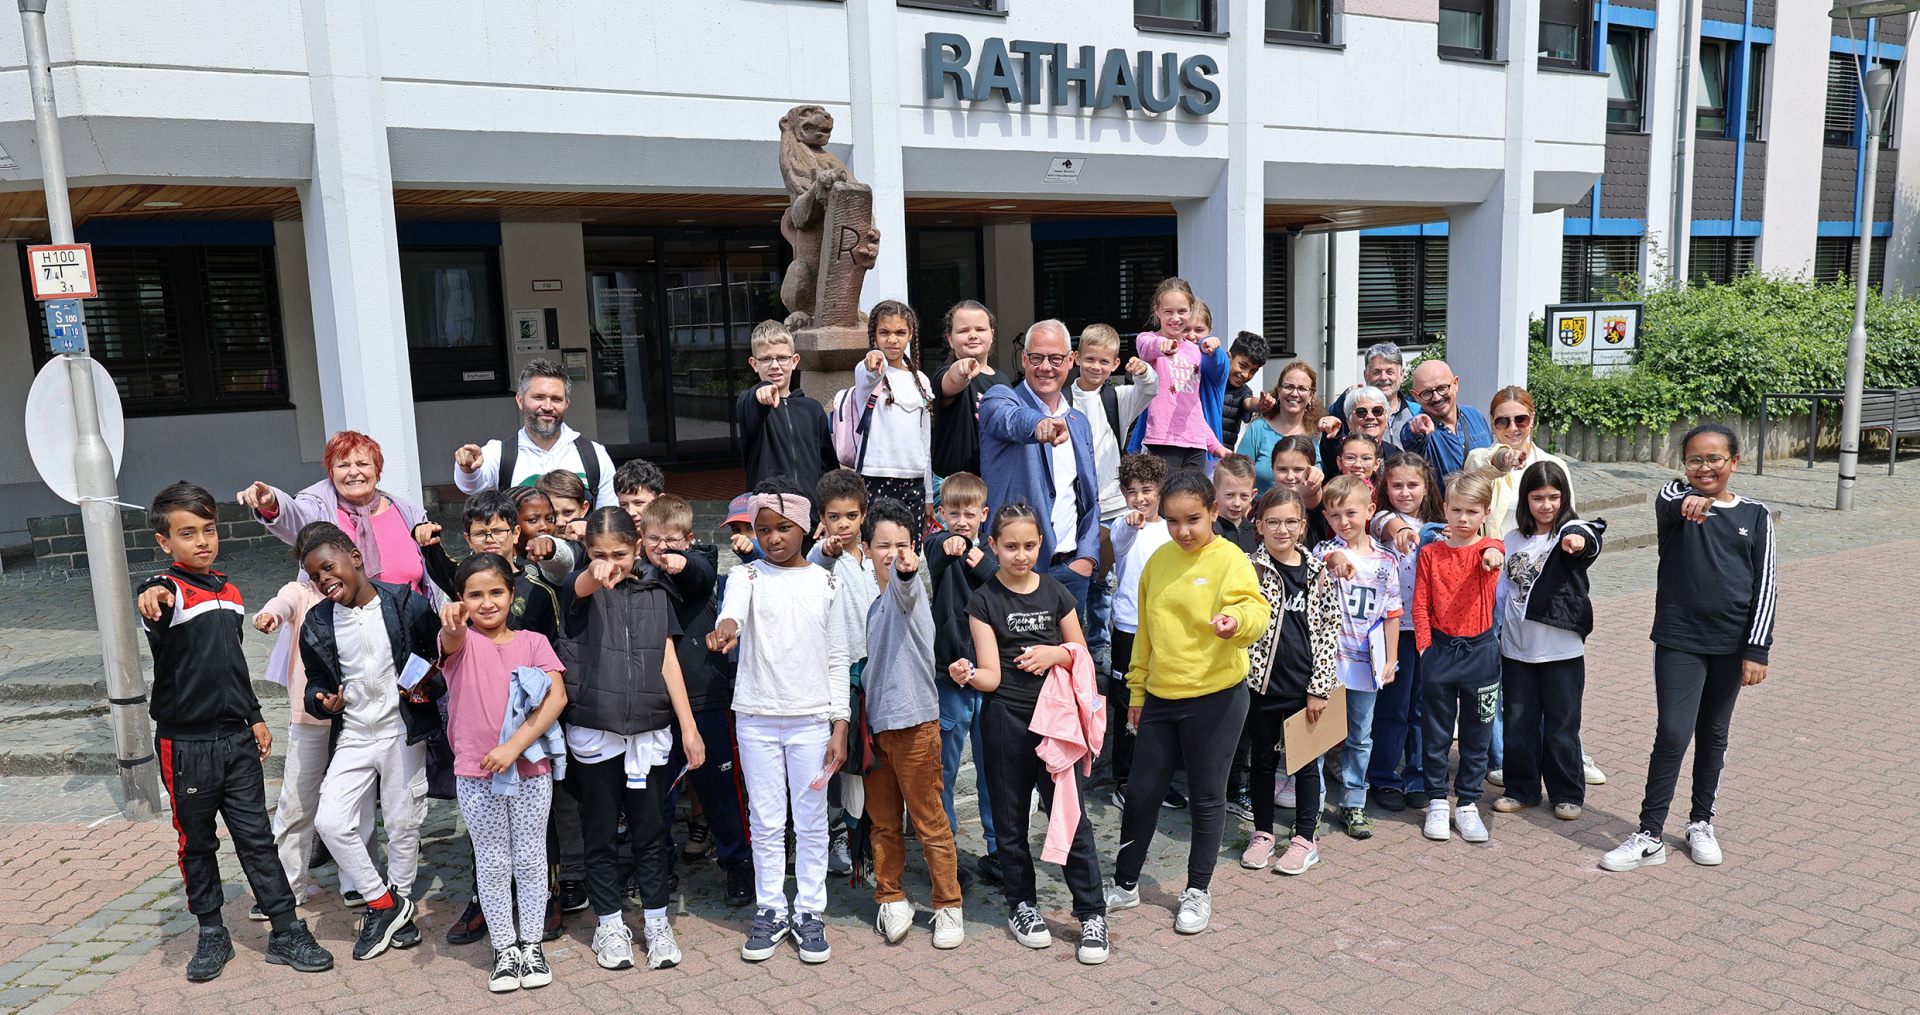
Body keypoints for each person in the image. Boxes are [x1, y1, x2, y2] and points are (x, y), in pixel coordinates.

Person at [135, 482, 334, 983]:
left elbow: (233, 667)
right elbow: (154, 594)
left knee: (256, 837)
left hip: (238, 741)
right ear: (165, 542)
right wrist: (152, 592)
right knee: (197, 843)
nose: (202, 541)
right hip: (185, 746)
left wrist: (255, 717)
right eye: (187, 533)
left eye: (208, 529)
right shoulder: (167, 590)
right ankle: (210, 934)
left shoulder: (229, 591)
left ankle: (286, 931)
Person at [1602, 424, 1775, 873]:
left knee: (1714, 734)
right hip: (1679, 639)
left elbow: (1766, 586)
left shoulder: (1756, 515)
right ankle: (1649, 834)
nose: (1705, 467)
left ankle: (1701, 822)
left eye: (1715, 459)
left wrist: (1758, 649)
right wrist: (1686, 502)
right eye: (1696, 459)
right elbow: (1667, 496)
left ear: (1734, 462)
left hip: (1733, 644)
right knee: (1674, 733)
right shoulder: (1674, 502)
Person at [1104, 470, 1269, 935]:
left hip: (1216, 697)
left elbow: (1257, 610)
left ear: (1214, 511)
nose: (1183, 531)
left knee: (1207, 796)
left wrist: (1236, 620)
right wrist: (1136, 692)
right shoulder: (1157, 560)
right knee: (1139, 794)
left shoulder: (1231, 558)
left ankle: (1197, 889)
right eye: (1173, 521)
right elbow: (1144, 636)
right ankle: (1126, 883)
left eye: (1193, 519)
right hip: (1160, 695)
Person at [950, 502, 1108, 965]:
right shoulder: (983, 600)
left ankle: (1092, 913)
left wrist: (1051, 655)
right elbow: (992, 677)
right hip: (1006, 721)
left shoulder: (1057, 592)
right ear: (993, 546)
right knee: (1011, 820)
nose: (1021, 555)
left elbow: (1078, 650)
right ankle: (1022, 904)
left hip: (1057, 724)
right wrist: (966, 673)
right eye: (1011, 546)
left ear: (1041, 545)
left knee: (1073, 817)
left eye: (1030, 545)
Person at [707, 483, 852, 965]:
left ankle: (809, 912)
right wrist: (725, 631)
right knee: (766, 822)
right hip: (756, 719)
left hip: (813, 722)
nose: (772, 538)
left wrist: (840, 723)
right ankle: (770, 909)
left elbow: (837, 658)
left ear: (806, 527)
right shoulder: (745, 577)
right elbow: (732, 618)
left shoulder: (828, 583)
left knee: (810, 823)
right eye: (762, 529)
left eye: (783, 528)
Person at [298, 525, 443, 961]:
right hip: (356, 734)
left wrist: (423, 686)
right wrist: (322, 701)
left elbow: (437, 653)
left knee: (402, 823)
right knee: (330, 820)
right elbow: (317, 681)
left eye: (329, 568)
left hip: (402, 729)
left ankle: (398, 912)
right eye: (315, 577)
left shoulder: (404, 601)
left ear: (356, 558)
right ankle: (385, 903)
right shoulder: (318, 621)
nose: (324, 581)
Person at [438, 552, 568, 993]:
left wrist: (513, 747)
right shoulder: (460, 643)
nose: (487, 602)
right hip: (475, 774)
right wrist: (452, 621)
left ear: (512, 596)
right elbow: (451, 635)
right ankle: (504, 948)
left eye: (496, 592)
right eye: (475, 594)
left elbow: (556, 698)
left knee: (531, 859)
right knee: (492, 863)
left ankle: (532, 945)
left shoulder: (533, 642)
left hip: (531, 769)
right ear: (461, 599)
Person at [858, 497, 965, 950]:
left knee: (929, 822)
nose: (892, 552)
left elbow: (906, 585)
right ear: (865, 549)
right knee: (883, 824)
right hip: (878, 732)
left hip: (917, 728)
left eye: (901, 544)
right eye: (883, 545)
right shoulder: (872, 607)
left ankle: (948, 906)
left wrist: (907, 570)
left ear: (914, 549)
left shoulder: (912, 593)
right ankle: (891, 897)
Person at [639, 495, 754, 910]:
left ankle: (738, 863)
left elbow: (698, 575)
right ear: (641, 536)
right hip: (651, 704)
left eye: (673, 539)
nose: (663, 547)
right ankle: (658, 865)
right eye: (655, 539)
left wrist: (679, 562)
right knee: (656, 796)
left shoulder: (702, 562)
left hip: (705, 696)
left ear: (688, 538)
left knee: (721, 791)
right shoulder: (635, 573)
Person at [257, 524, 375, 919]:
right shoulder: (302, 594)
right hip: (309, 719)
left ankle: (357, 881)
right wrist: (270, 615)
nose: (323, 577)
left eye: (327, 562)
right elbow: (280, 601)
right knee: (296, 803)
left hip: (358, 720)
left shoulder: (362, 594)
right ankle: (288, 885)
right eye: (312, 568)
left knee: (356, 805)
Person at [1492, 462, 1603, 822]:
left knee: (1561, 724)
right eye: (1538, 497)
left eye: (1554, 497)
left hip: (1561, 650)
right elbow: (1502, 592)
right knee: (1519, 722)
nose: (1546, 505)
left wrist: (1579, 540)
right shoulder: (1511, 539)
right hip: (1516, 648)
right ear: (1526, 499)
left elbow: (1589, 535)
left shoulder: (1569, 532)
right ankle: (1521, 789)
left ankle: (1567, 793)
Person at [1240, 486, 1340, 875]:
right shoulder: (1251, 569)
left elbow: (1331, 629)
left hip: (1304, 689)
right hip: (1262, 688)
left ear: (1302, 526)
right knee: (1262, 761)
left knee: (1305, 764)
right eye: (1273, 522)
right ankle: (1263, 832)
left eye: (1290, 522)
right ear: (1259, 525)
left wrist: (1320, 688)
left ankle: (1304, 838)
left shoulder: (1317, 572)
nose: (1282, 530)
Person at [977, 319, 1100, 619]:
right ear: (1024, 359)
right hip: (1015, 570)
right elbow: (1008, 419)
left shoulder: (1079, 423)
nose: (1046, 367)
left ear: (1071, 361)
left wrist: (1087, 558)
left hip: (1072, 570)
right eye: (1037, 357)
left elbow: (1088, 498)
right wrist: (1038, 423)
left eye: (1055, 358)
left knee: (1068, 662)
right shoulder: (1000, 398)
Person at [1410, 468, 1506, 844]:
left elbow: (1493, 550)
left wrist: (1492, 553)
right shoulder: (1431, 553)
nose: (1463, 519)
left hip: (1481, 654)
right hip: (1439, 652)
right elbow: (1420, 603)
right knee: (1434, 733)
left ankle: (1467, 803)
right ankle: (1437, 800)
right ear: (1445, 509)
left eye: (1472, 512)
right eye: (1456, 510)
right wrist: (1424, 647)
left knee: (1477, 732)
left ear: (1484, 513)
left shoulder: (1488, 550)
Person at [1067, 321, 1157, 690]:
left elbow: (1150, 389)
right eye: (1089, 359)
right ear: (1076, 359)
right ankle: (1075, 645)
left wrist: (1144, 369)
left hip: (1112, 504)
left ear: (1115, 363)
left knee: (1105, 580)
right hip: (1073, 505)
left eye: (1104, 361)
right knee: (1076, 575)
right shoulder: (1061, 397)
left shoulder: (1116, 398)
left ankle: (1100, 645)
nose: (1096, 367)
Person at [922, 472, 1002, 886]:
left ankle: (998, 850)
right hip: (949, 679)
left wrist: (984, 561)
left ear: (984, 515)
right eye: (952, 513)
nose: (961, 521)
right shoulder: (941, 546)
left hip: (989, 680)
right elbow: (937, 546)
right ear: (940, 514)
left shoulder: (993, 555)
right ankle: (945, 853)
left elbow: (1008, 588)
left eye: (969, 514)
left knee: (993, 769)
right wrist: (952, 543)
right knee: (945, 770)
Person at [1314, 474, 1402, 840]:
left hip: (1366, 665)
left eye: (1350, 513)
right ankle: (1313, 802)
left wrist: (1391, 659)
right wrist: (1335, 558)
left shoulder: (1386, 562)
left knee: (1360, 736)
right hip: (1329, 662)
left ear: (1370, 510)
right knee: (1319, 735)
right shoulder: (1323, 551)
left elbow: (1392, 614)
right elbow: (1327, 560)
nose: (1343, 522)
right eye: (1334, 516)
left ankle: (1353, 803)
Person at [237, 430, 430, 595]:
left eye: (362, 464)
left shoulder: (408, 513)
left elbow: (432, 579)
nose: (354, 472)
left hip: (412, 628)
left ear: (377, 471)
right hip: (343, 626)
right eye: (343, 465)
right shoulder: (319, 507)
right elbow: (295, 515)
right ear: (331, 473)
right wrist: (272, 501)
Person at [1365, 452, 1446, 813]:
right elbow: (1390, 528)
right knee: (1393, 708)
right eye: (1396, 485)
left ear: (1426, 486)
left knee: (1422, 709)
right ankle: (1383, 776)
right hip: (1394, 630)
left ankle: (1419, 776)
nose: (1404, 491)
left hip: (1430, 630)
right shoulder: (1382, 518)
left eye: (1412, 485)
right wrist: (1404, 532)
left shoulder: (1438, 526)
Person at [809, 468, 878, 877]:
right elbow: (821, 559)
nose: (843, 525)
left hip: (877, 671)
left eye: (851, 516)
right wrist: (828, 550)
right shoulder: (821, 557)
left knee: (868, 764)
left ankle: (869, 841)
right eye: (834, 517)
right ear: (822, 518)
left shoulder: (873, 557)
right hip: (841, 673)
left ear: (863, 514)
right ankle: (838, 835)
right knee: (841, 762)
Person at [455, 358, 617, 508]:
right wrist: (469, 468)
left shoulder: (594, 455)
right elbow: (471, 487)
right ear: (520, 400)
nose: (547, 406)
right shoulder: (500, 454)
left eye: (556, 399)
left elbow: (609, 518)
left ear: (566, 404)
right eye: (538, 397)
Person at [1106, 453, 1173, 810]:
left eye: (1147, 490)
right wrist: (1131, 521)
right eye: (1131, 492)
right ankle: (1124, 780)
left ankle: (1156, 780)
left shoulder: (1172, 529)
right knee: (1127, 705)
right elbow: (1123, 533)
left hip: (1164, 631)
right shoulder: (1124, 527)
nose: (1140, 499)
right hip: (1129, 631)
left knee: (1160, 704)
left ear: (1160, 490)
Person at [853, 299, 934, 533]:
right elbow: (869, 371)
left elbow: (925, 441)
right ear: (874, 335)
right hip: (874, 477)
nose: (892, 339)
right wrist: (873, 359)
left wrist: (928, 494)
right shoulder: (867, 370)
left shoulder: (922, 381)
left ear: (910, 334)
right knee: (878, 552)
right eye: (884, 332)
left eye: (900, 332)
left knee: (911, 553)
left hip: (914, 482)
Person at [1134, 279, 1228, 472]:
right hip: (1162, 441)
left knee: (1194, 501)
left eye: (1182, 311)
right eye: (1168, 311)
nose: (1175, 318)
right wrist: (1162, 346)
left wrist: (1214, 445)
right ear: (1157, 311)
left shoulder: (1195, 352)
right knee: (1168, 500)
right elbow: (1146, 348)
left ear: (1191, 310)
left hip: (1196, 443)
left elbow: (1193, 409)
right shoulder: (1148, 339)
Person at [736, 320, 837, 494]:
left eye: (782, 358)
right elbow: (751, 401)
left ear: (794, 361)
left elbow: (828, 468)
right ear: (754, 364)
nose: (775, 365)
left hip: (810, 513)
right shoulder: (750, 404)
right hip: (770, 514)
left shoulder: (812, 409)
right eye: (766, 359)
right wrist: (761, 390)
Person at [1465, 385, 1574, 538]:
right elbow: (1479, 462)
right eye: (1502, 421)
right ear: (1492, 422)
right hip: (1495, 557)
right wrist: (1502, 459)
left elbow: (1568, 520)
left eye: (1521, 419)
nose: (1512, 428)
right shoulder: (1479, 460)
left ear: (1532, 419)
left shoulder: (1554, 464)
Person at [930, 300, 1009, 480]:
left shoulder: (1003, 381)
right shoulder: (944, 373)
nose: (972, 335)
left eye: (980, 329)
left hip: (993, 483)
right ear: (950, 339)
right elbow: (953, 380)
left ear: (992, 335)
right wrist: (962, 370)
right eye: (963, 331)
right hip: (953, 488)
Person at [1399, 360, 1492, 487]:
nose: (1436, 397)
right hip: (1441, 507)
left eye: (1442, 388)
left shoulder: (1475, 415)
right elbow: (1410, 438)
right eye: (1427, 393)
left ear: (1455, 384)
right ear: (1416, 396)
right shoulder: (1420, 429)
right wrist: (1415, 429)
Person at [1239, 361, 1326, 489]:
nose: (1294, 394)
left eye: (1302, 389)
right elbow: (1238, 476)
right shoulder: (1258, 429)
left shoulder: (1318, 434)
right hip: (1263, 506)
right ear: (1279, 391)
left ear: (1311, 395)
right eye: (1289, 387)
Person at [1328, 342, 1417, 441]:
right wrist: (1346, 401)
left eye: (1389, 372)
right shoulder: (1349, 413)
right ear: (1366, 375)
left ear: (1401, 375)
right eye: (1376, 372)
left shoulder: (1416, 412)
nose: (1383, 377)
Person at [1316, 385, 1402, 474]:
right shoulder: (1340, 450)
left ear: (1387, 418)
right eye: (1361, 412)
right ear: (1348, 421)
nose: (1370, 416)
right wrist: (1333, 430)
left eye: (1377, 411)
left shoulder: (1395, 453)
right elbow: (1332, 446)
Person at [1270, 435, 1331, 549]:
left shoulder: (1319, 501)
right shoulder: (1264, 504)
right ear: (1272, 468)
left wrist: (1314, 487)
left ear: (1312, 469)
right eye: (1282, 469)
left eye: (1298, 469)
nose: (1290, 477)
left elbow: (1312, 499)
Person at [1221, 331, 1274, 451]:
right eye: (1242, 366)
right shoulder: (1210, 380)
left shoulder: (1243, 392)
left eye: (1253, 371)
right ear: (1228, 357)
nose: (1246, 375)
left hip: (1222, 456)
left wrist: (1261, 405)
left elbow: (1249, 402)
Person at [1212, 453, 1259, 553]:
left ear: (1252, 495)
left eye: (1244, 496)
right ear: (1215, 492)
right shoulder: (1211, 532)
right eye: (1230, 495)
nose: (1237, 503)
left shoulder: (1255, 532)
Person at [538, 469, 591, 541]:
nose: (560, 523)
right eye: (552, 514)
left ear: (583, 509)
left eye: (568, 512)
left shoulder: (596, 542)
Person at [615, 458, 667, 526]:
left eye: (638, 503)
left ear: (661, 501)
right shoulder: (614, 534)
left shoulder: (678, 532)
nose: (631, 512)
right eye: (623, 504)